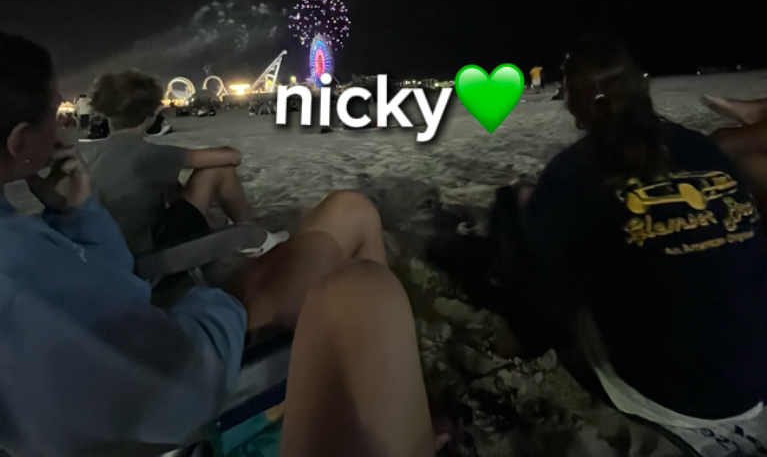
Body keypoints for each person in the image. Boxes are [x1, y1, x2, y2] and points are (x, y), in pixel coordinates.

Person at [0, 31, 437, 457]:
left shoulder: (19, 233)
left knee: (344, 218)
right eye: (54, 115)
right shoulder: (15, 276)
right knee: (362, 261)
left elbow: (109, 283)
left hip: (149, 315)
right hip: (184, 345)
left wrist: (77, 213)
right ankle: (390, 401)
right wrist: (213, 301)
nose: (64, 133)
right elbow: (173, 390)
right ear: (19, 141)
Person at [494, 35, 767, 427]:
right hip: (755, 377)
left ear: (581, 99)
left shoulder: (577, 167)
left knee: (543, 236)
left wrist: (519, 208)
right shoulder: (703, 149)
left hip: (678, 396)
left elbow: (524, 261)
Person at [82, 70, 285, 256]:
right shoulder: (150, 154)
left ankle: (226, 225)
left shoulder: (88, 152)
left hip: (103, 252)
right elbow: (233, 157)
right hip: (147, 253)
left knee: (166, 185)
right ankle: (252, 237)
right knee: (219, 169)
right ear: (151, 115)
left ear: (105, 112)